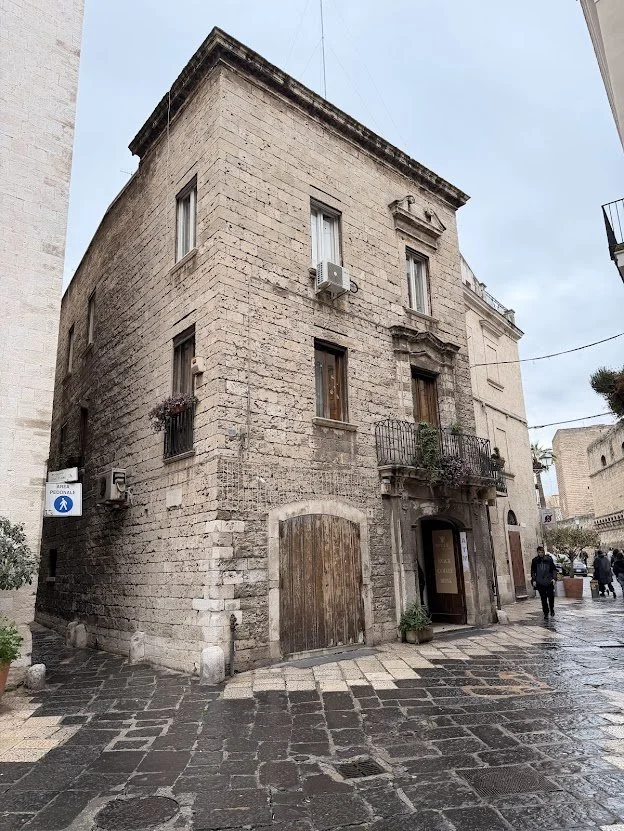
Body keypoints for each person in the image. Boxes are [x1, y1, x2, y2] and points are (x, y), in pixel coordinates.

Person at [531, 545, 557, 620]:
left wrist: (554, 579)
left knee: (551, 597)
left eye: (542, 552)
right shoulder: (535, 561)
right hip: (540, 582)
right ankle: (546, 612)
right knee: (543, 598)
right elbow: (533, 571)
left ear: (544, 552)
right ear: (537, 552)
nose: (541, 553)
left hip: (549, 581)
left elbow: (554, 569)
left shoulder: (549, 559)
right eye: (539, 552)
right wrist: (534, 580)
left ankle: (551, 609)